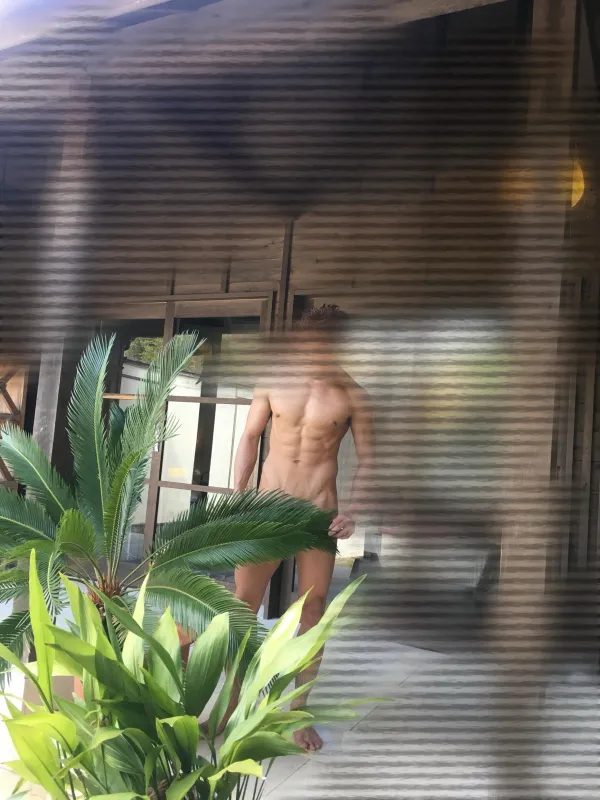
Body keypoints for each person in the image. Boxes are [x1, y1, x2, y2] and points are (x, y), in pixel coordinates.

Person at [229, 303, 374, 751]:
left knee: (313, 611)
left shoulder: (354, 396)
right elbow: (250, 436)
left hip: (318, 514)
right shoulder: (273, 380)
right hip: (268, 509)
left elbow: (368, 460)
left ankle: (297, 716)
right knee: (242, 606)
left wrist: (353, 510)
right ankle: (230, 709)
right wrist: (238, 494)